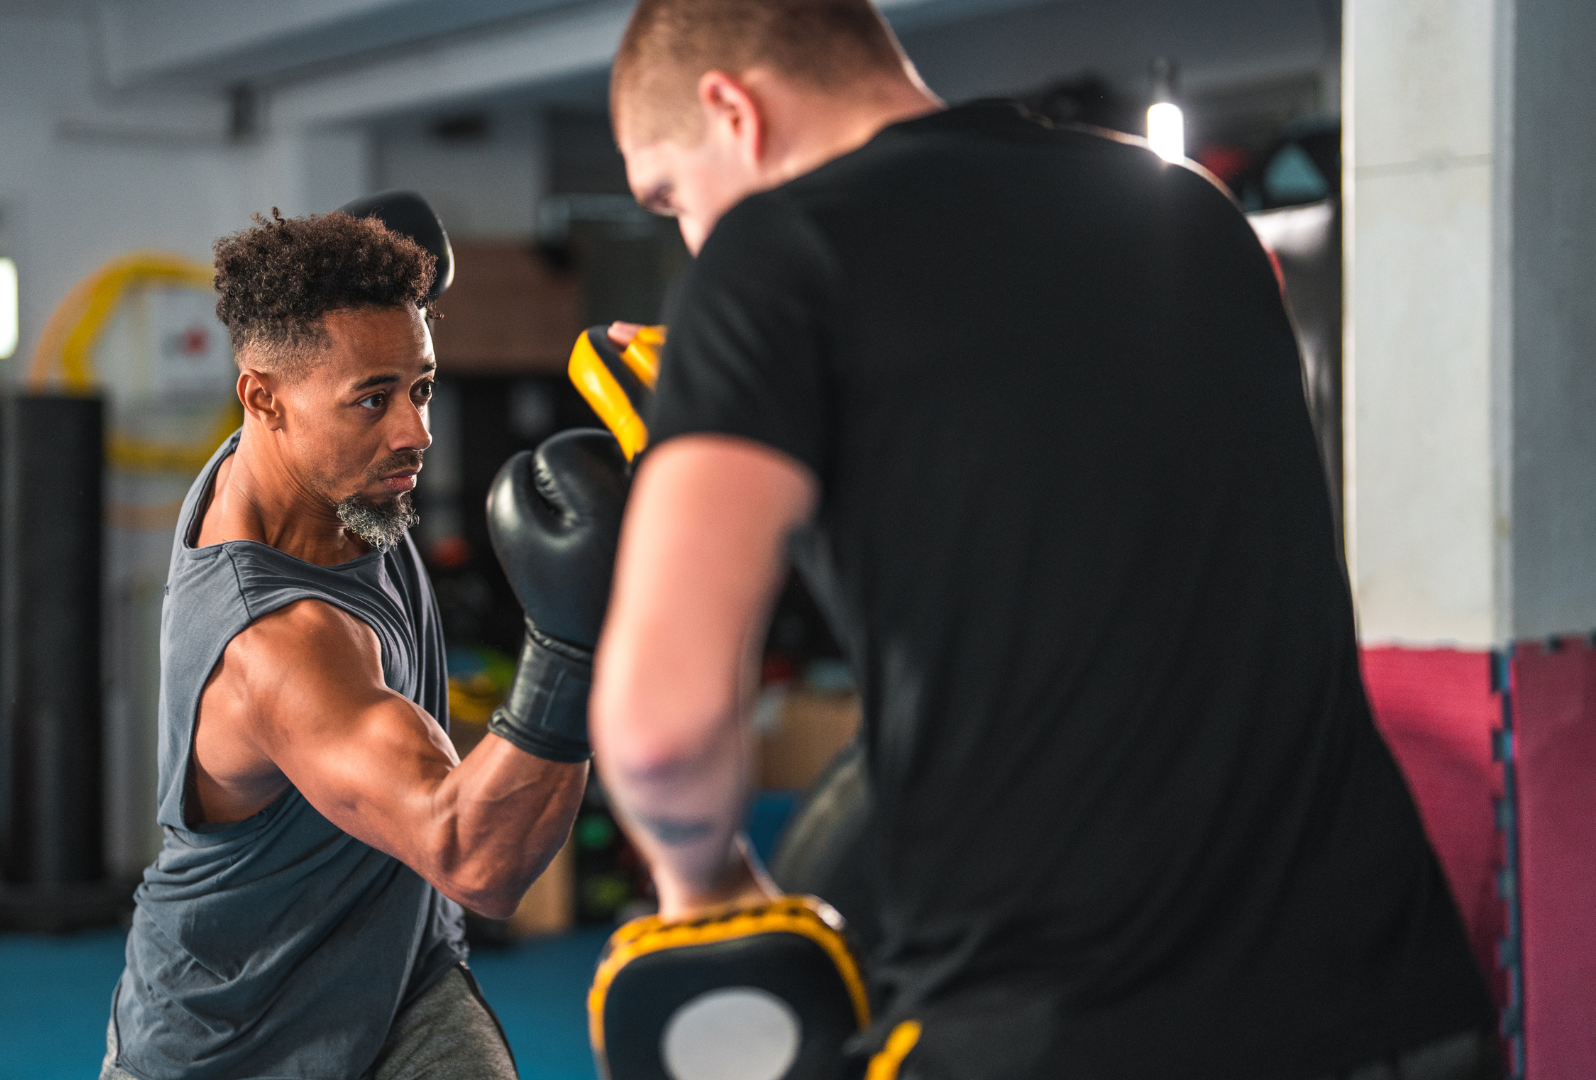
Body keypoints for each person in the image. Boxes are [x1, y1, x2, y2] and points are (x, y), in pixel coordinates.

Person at [588, 2, 1498, 1078]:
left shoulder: (770, 255)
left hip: (1067, 1029)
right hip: (1396, 1005)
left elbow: (662, 735)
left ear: (731, 110)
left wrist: (708, 889)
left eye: (671, 198)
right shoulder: (1191, 211)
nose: (690, 234)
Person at [103, 208, 623, 1080]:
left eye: (421, 387)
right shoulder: (276, 648)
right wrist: (572, 644)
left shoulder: (326, 461)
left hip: (402, 983)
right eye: (374, 400)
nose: (415, 432)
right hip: (236, 1043)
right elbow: (476, 860)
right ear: (260, 396)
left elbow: (343, 337)